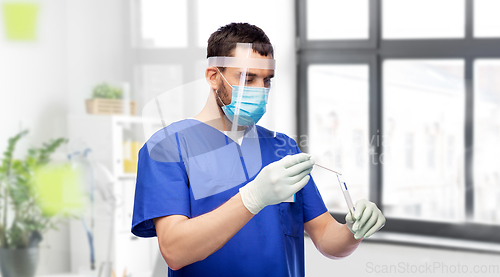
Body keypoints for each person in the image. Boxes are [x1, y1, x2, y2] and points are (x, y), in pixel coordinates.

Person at [132, 23, 385, 277]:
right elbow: (175, 252)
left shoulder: (283, 148)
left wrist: (353, 231)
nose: (260, 90)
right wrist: (251, 199)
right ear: (213, 76)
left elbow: (327, 239)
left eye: (266, 80)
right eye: (247, 78)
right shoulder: (166, 148)